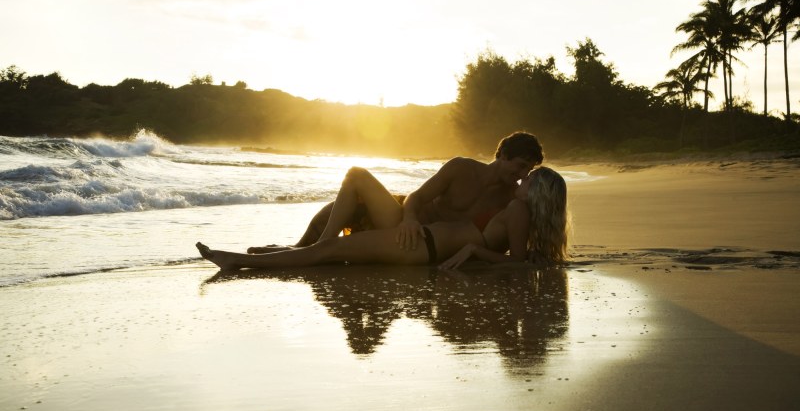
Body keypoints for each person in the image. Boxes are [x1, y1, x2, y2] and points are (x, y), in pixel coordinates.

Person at [196, 166, 569, 271]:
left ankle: (239, 261)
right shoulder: (516, 207)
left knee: (329, 251)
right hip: (423, 240)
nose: (524, 179)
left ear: (538, 192)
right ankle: (256, 258)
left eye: (531, 178)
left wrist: (473, 249)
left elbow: (517, 263)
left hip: (423, 246)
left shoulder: (518, 209)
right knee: (330, 251)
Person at [247, 131, 544, 254]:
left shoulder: (510, 199)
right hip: (401, 218)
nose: (520, 176)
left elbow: (500, 238)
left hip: (423, 244)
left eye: (526, 172)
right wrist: (410, 219)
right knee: (355, 178)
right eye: (518, 166)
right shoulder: (462, 168)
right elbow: (416, 197)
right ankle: (306, 249)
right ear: (502, 154)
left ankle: (306, 252)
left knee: (347, 202)